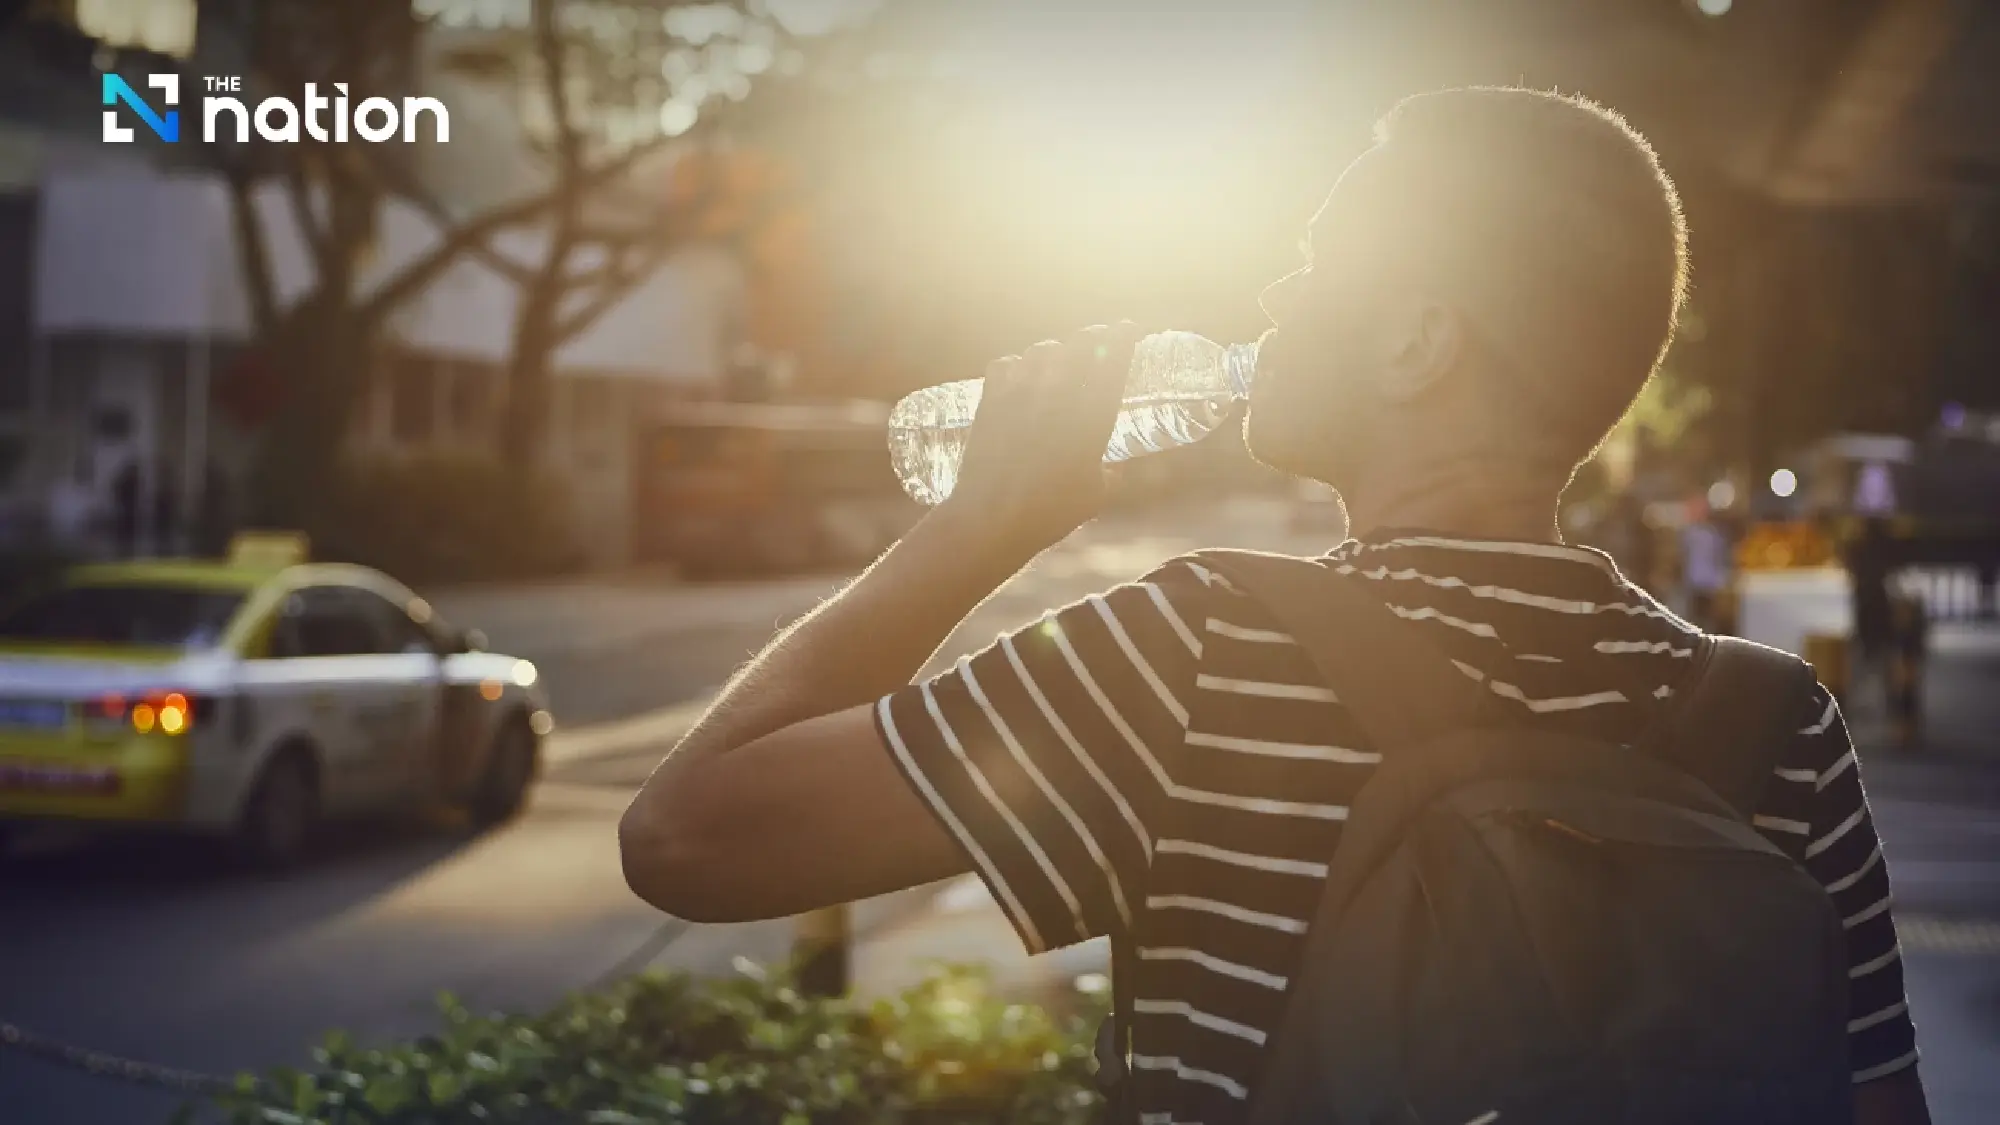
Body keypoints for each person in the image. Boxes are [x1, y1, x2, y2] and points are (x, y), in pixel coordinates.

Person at [619, 87, 1929, 1124]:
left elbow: (687, 839)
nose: (1272, 299)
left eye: (1314, 265)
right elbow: (1877, 1104)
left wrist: (980, 525)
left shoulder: (1202, 651)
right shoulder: (1780, 724)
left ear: (1418, 341)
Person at [1679, 497, 1733, 632]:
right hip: (1694, 585)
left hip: (1711, 585)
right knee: (1694, 622)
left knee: (1709, 622)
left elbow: (1722, 557)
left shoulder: (1713, 534)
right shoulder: (1688, 533)